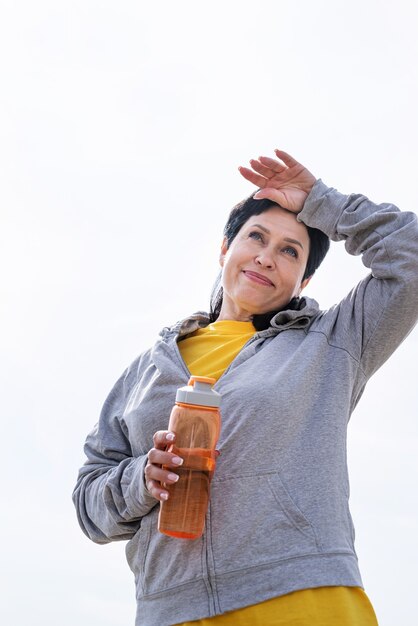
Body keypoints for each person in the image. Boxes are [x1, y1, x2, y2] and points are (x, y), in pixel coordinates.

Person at [73, 149, 418, 626]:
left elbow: (412, 257)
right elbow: (90, 505)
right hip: (172, 610)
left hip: (302, 598)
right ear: (224, 248)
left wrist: (322, 201)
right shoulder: (145, 372)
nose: (266, 257)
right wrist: (142, 480)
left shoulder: (334, 343)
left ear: (306, 277)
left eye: (290, 251)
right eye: (256, 236)